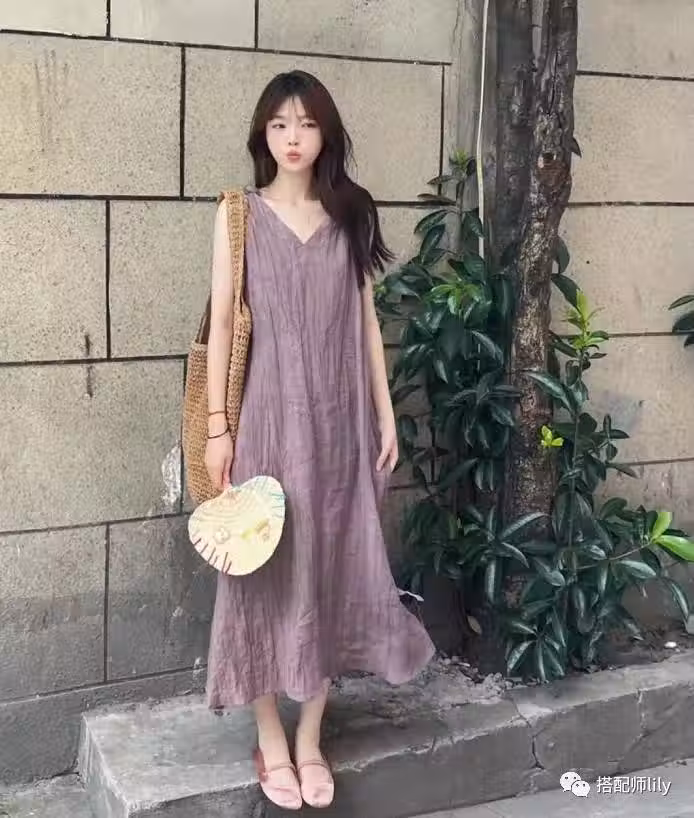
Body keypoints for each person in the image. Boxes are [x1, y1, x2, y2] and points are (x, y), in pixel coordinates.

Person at [203, 69, 435, 810]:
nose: (292, 137)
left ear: (325, 132)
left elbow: (366, 321)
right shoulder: (238, 216)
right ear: (262, 134)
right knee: (259, 575)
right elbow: (221, 326)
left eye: (305, 123)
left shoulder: (350, 214)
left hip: (340, 427)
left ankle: (310, 739)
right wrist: (218, 428)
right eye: (279, 124)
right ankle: (269, 736)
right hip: (265, 425)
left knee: (334, 567)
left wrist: (386, 413)